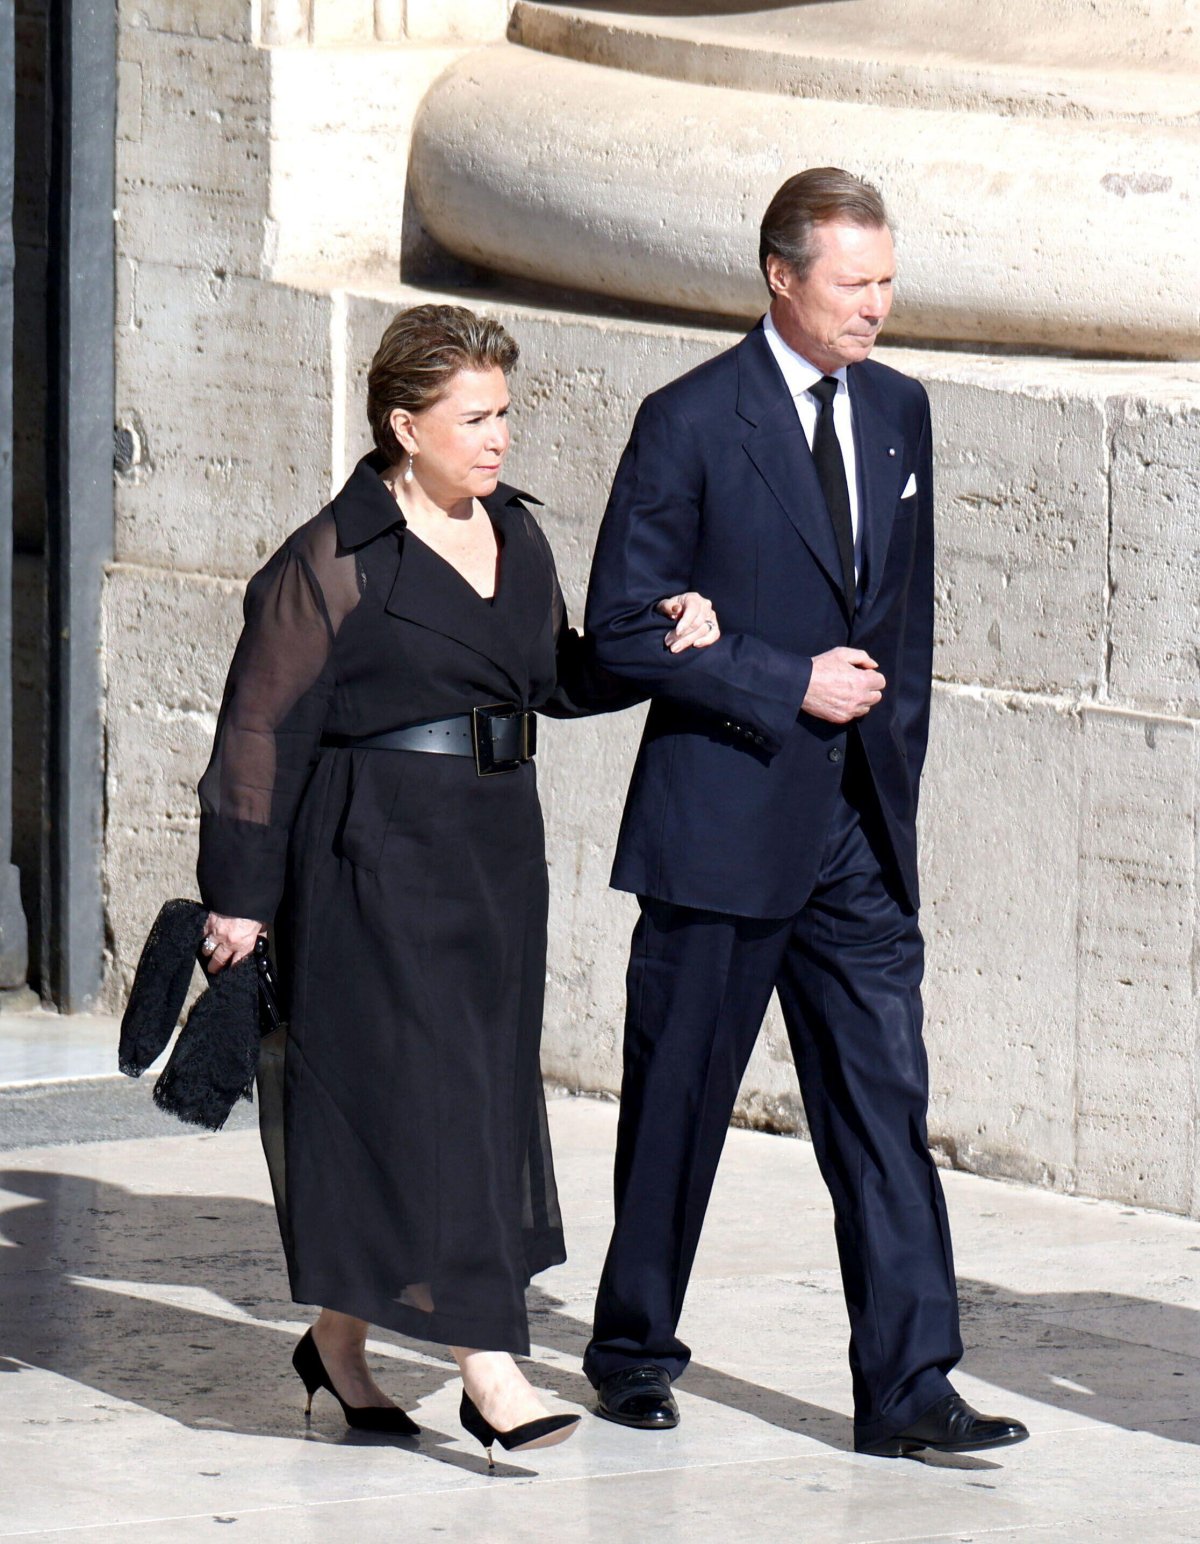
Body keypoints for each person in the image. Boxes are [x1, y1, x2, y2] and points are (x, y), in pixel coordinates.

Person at [195, 303, 720, 1466]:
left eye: (504, 414)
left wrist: (659, 641)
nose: (498, 438)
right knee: (436, 1104)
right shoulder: (330, 559)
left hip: (494, 850)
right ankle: (491, 1364)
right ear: (403, 423)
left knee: (462, 1093)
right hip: (369, 853)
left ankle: (336, 1344)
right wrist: (238, 896)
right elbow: (256, 732)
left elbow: (556, 678)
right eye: (473, 417)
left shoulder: (516, 538)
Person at [581, 169, 1029, 1458]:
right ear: (781, 277)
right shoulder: (689, 421)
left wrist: (895, 772)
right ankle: (632, 1349)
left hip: (857, 835)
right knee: (678, 1102)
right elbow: (620, 626)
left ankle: (909, 1383)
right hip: (721, 823)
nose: (878, 308)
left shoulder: (900, 410)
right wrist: (786, 678)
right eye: (855, 283)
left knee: (885, 1108)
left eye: (887, 281)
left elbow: (908, 622)